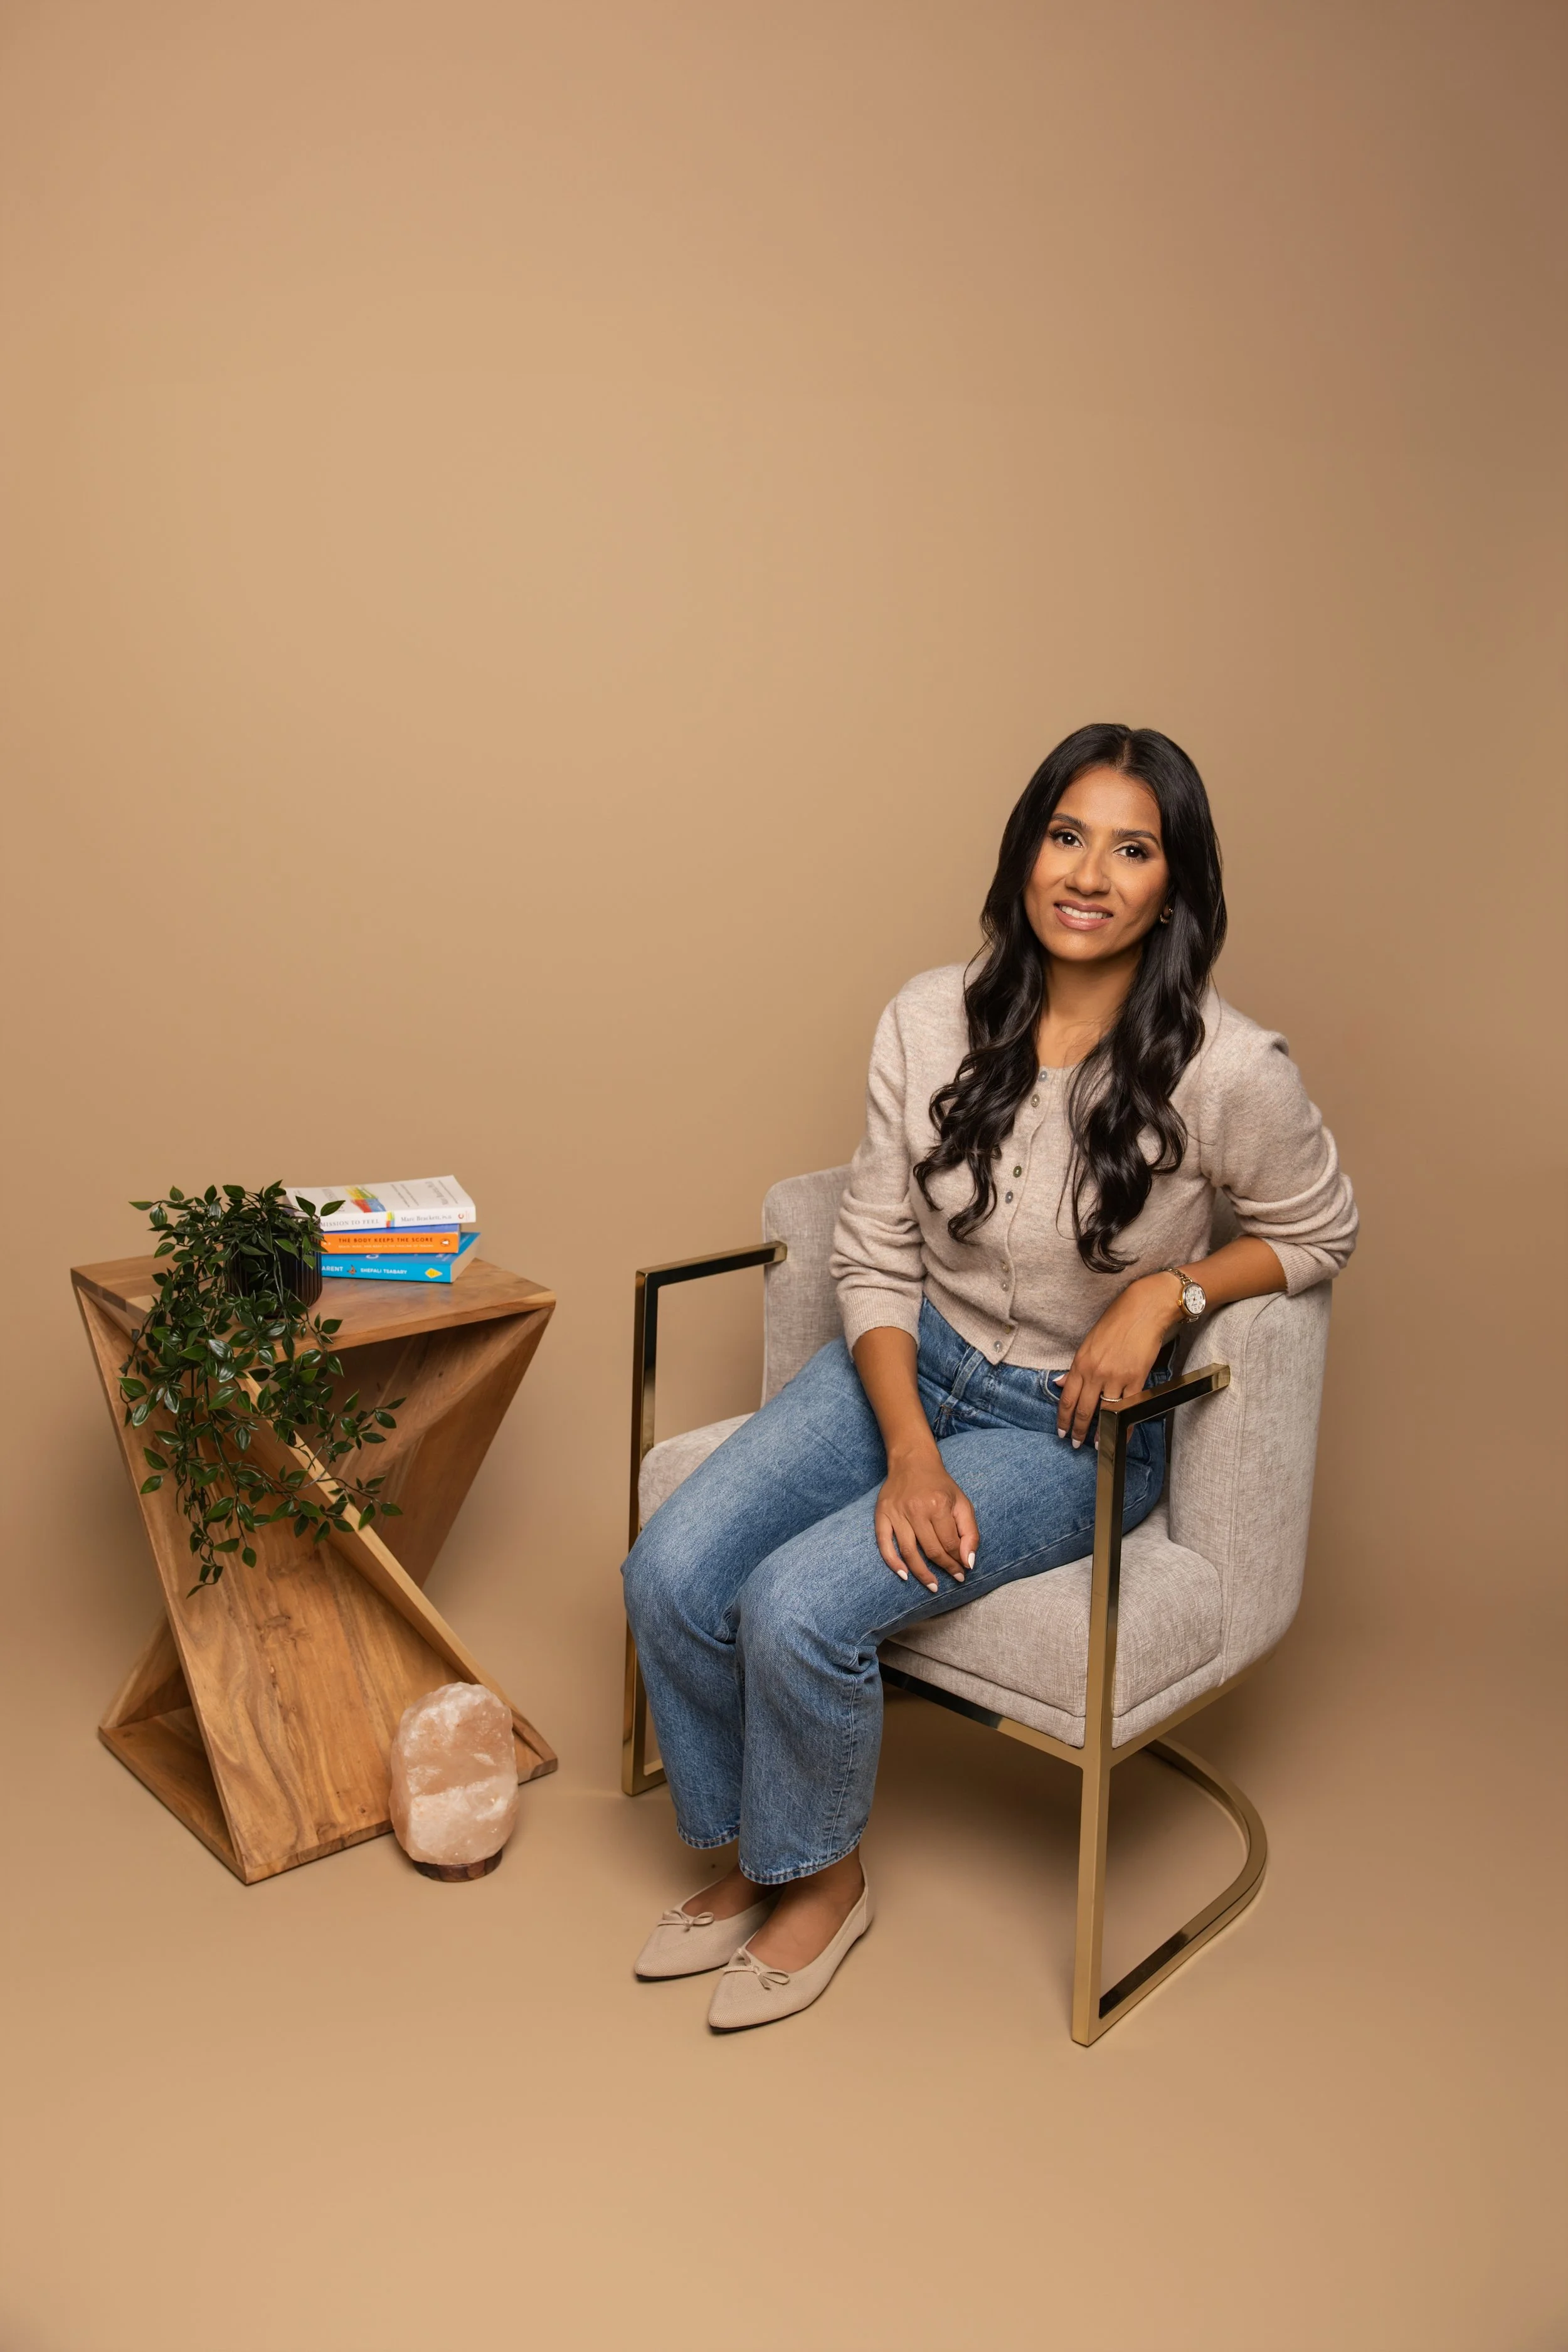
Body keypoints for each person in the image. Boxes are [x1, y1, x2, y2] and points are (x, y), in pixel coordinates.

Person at [622, 723, 1357, 2031]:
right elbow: (873, 1249)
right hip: (911, 1366)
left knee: (798, 1603)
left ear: (1174, 887)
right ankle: (768, 1851)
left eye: (1131, 850)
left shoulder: (1230, 1066)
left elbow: (1319, 1228)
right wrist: (909, 1448)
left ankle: (822, 1883)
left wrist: (1170, 1292)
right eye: (1066, 836)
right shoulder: (927, 1015)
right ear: (1026, 851)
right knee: (668, 1569)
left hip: (1064, 1430)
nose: (1088, 874)